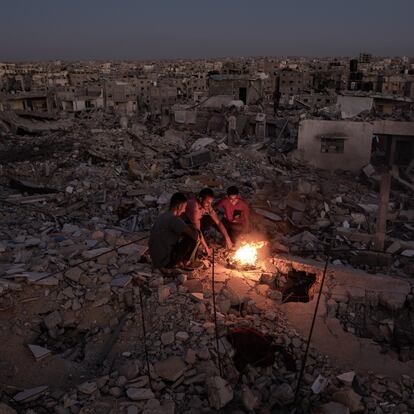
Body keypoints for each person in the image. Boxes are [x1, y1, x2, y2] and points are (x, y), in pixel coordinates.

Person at [149, 192, 200, 270]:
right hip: (165, 262)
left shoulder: (163, 215)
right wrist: (191, 226)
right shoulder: (174, 219)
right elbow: (195, 236)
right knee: (192, 237)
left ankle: (179, 261)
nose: (184, 210)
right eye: (184, 207)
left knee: (184, 234)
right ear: (179, 206)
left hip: (156, 259)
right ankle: (186, 262)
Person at [183, 188, 233, 256]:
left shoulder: (207, 206)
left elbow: (218, 222)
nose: (209, 205)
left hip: (194, 222)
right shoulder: (194, 208)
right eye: (207, 202)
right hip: (182, 223)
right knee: (195, 237)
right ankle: (187, 259)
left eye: (210, 202)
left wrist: (227, 238)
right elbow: (198, 231)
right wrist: (206, 248)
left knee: (209, 220)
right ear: (200, 199)